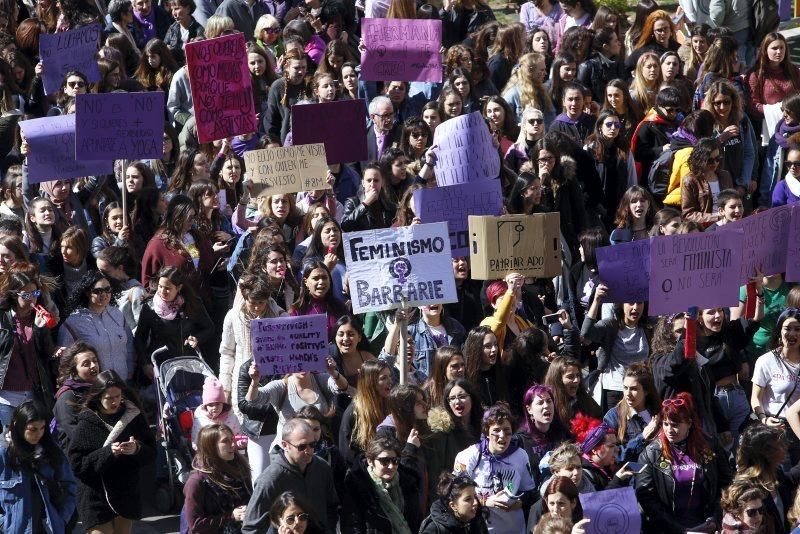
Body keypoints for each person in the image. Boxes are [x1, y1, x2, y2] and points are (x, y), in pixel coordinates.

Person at [68, 370, 156, 534]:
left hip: (125, 492)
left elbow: (151, 452)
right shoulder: (87, 423)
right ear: (98, 397)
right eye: (109, 398)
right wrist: (108, 453)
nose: (115, 402)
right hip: (95, 495)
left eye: (118, 396)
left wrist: (136, 449)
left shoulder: (133, 416)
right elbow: (77, 465)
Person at [636, 392, 732, 534]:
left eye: (675, 425)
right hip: (668, 528)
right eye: (665, 424)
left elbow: (726, 484)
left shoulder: (710, 446)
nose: (669, 430)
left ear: (689, 423)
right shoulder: (651, 453)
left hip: (707, 526)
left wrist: (715, 518)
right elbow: (646, 497)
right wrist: (677, 529)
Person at [241, 418, 340, 533]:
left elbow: (332, 507)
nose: (308, 451)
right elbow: (251, 528)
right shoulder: (270, 479)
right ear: (285, 445)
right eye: (302, 447)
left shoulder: (322, 467)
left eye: (312, 445)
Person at [453, 403, 535, 533]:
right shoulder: (469, 456)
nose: (502, 436)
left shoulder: (520, 455)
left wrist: (519, 502)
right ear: (487, 432)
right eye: (496, 431)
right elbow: (456, 495)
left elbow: (529, 492)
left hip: (514, 529)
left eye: (507, 431)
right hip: (482, 529)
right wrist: (485, 501)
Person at [0, 400, 76, 534]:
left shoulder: (51, 451)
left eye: (42, 428)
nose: (38, 434)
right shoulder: (3, 454)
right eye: (33, 429)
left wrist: (62, 519)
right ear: (18, 426)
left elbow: (70, 486)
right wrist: (4, 524)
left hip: (48, 527)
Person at [0, 262, 57, 425]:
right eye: (26, 295)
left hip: (34, 392)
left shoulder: (38, 318)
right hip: (6, 397)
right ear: (14, 294)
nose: (32, 298)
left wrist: (41, 330)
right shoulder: (2, 318)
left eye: (35, 293)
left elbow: (46, 354)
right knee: (11, 441)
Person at [341, 435, 422, 533]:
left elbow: (416, 521)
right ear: (370, 461)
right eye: (385, 461)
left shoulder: (408, 483)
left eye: (395, 461)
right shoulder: (357, 486)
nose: (391, 466)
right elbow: (352, 526)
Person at [183, 423, 252, 532]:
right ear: (211, 447)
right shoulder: (196, 481)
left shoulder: (240, 469)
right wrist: (231, 516)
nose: (233, 445)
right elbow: (196, 525)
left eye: (232, 439)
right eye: (225, 441)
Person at [752, 308, 800, 465]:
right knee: (782, 483)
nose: (792, 334)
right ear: (780, 331)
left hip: (798, 429)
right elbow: (755, 398)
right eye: (787, 328)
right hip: (777, 431)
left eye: (797, 329)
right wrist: (764, 419)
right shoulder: (766, 361)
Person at [603, 363, 660, 462]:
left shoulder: (658, 412)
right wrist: (642, 437)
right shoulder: (613, 416)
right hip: (632, 473)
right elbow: (613, 455)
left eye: (634, 389)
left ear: (646, 391)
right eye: (625, 388)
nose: (628, 394)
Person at [53, 341, 101, 449]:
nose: (93, 366)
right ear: (74, 371)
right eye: (86, 364)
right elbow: (74, 432)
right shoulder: (67, 396)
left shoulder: (100, 389)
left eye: (95, 361)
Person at [419, 472, 489, 534]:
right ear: (453, 505)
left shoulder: (478, 520)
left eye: (475, 496)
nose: (475, 502)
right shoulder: (435, 529)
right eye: (468, 499)